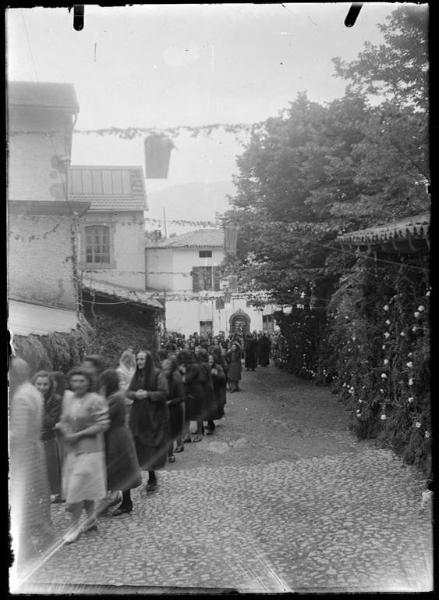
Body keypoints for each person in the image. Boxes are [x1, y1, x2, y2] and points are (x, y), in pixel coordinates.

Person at [9, 358, 55, 570]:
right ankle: (45, 533)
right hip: (36, 448)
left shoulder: (20, 397)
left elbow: (19, 433)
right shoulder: (34, 392)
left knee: (23, 498)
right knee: (38, 494)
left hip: (24, 452)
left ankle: (27, 548)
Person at [55, 366, 109, 544]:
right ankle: (91, 519)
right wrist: (61, 428)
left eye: (82, 381)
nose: (77, 384)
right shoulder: (69, 398)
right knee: (83, 487)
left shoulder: (96, 400)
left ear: (89, 382)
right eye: (75, 381)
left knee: (76, 490)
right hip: (72, 451)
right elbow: (64, 419)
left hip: (90, 451)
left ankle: (74, 528)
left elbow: (103, 424)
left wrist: (78, 435)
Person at [97, 369, 142, 516]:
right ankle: (122, 501)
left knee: (122, 470)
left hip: (118, 437)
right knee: (120, 470)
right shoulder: (114, 396)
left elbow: (105, 415)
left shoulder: (115, 397)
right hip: (116, 435)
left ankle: (126, 502)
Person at [126, 350, 169, 495]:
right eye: (137, 360)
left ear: (148, 360)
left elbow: (163, 393)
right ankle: (146, 472)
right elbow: (128, 392)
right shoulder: (137, 375)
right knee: (141, 445)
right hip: (139, 416)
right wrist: (135, 395)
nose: (139, 362)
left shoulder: (157, 374)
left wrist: (148, 395)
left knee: (151, 445)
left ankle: (152, 476)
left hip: (154, 416)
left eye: (142, 360)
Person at [32, 371, 63, 503]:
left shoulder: (55, 399)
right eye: (38, 384)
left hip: (48, 439)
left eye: (45, 384)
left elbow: (49, 422)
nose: (42, 387)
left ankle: (54, 493)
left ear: (50, 385)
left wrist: (41, 403)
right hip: (33, 440)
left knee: (51, 470)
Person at [177, 350, 205, 442]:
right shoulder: (191, 366)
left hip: (195, 393)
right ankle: (187, 435)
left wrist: (181, 371)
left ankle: (199, 434)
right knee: (187, 415)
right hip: (189, 392)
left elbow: (186, 379)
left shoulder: (194, 367)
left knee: (197, 414)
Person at [162, 355, 186, 461]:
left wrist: (170, 402)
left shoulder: (176, 378)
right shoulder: (160, 378)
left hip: (174, 410)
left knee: (171, 433)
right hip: (163, 409)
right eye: (163, 368)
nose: (164, 371)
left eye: (166, 369)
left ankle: (170, 454)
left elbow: (181, 397)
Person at [196, 349, 216, 435]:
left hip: (204, 389)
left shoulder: (202, 365)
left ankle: (203, 428)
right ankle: (209, 426)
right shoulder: (206, 365)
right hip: (209, 388)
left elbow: (202, 378)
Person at [208, 351, 227, 430]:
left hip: (215, 391)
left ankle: (210, 424)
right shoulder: (204, 367)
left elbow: (223, 378)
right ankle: (208, 424)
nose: (210, 361)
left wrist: (217, 374)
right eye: (209, 359)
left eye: (211, 359)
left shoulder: (218, 367)